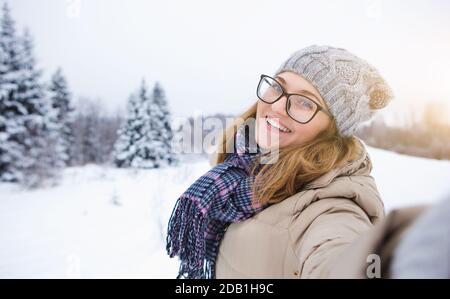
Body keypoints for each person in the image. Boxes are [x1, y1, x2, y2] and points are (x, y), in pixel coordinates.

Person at [166, 44, 394, 278]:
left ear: (332, 131)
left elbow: (339, 256)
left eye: (305, 103)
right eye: (277, 87)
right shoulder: (240, 170)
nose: (276, 107)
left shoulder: (332, 206)